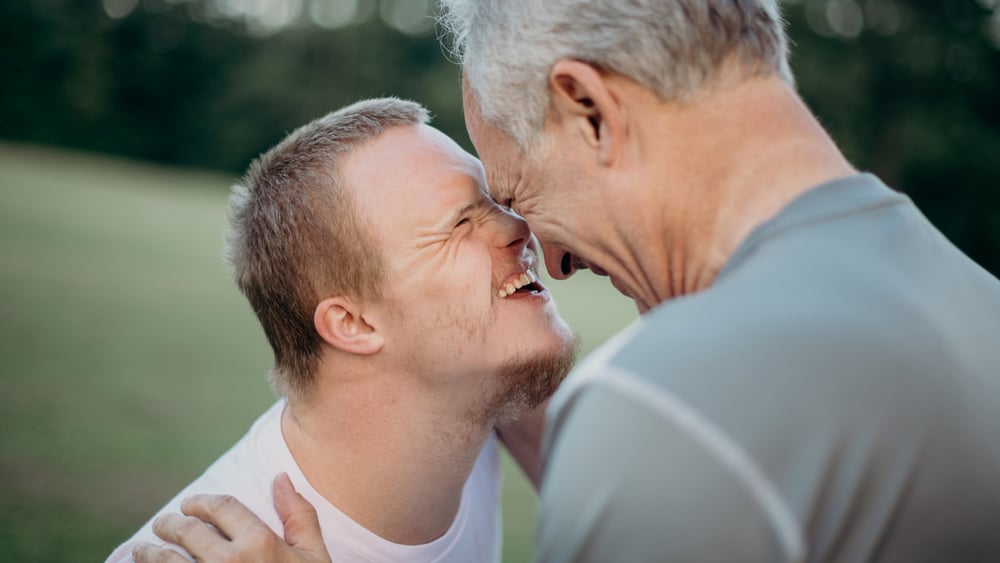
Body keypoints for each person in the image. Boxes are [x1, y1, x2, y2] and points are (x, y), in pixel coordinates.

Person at [138, 1, 1000, 561]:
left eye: (514, 192)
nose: (547, 255)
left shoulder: (666, 412)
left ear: (590, 108)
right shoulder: (973, 300)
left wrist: (627, 431)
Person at [113, 97, 577, 563]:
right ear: (352, 324)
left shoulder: (483, 394)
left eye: (496, 201)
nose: (519, 225)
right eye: (460, 223)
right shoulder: (197, 554)